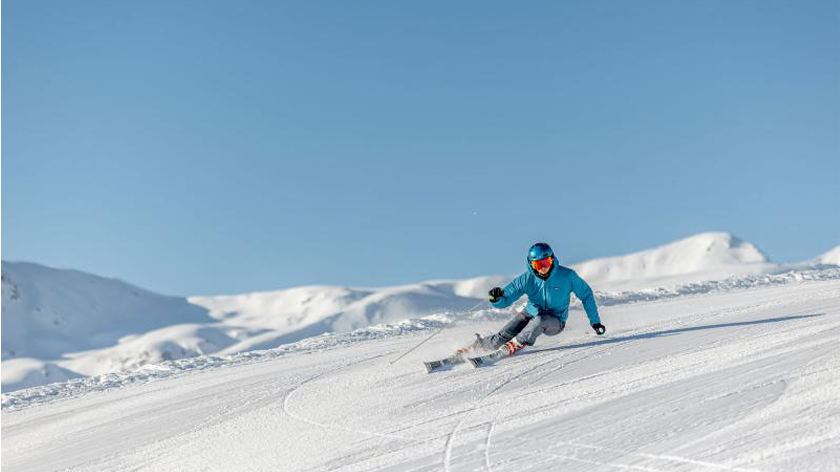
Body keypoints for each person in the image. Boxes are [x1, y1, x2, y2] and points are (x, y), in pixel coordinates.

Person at [472, 242, 606, 356]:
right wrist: (496, 299)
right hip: (530, 313)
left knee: (541, 320)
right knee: (501, 338)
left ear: (552, 259)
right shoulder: (526, 279)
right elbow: (506, 299)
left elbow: (586, 295)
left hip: (555, 320)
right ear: (531, 264)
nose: (543, 268)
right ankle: (477, 346)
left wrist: (595, 322)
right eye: (538, 265)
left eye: (546, 262)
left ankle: (513, 345)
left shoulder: (567, 276)